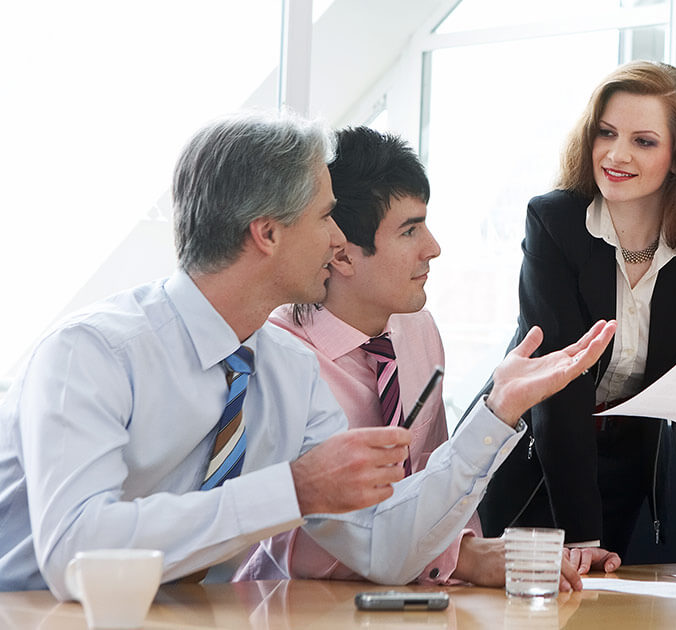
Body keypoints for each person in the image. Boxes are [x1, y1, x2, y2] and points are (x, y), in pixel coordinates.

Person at [0, 111, 615, 598]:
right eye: (325, 216)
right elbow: (76, 553)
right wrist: (293, 489)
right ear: (267, 234)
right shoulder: (91, 352)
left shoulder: (283, 372)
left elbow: (382, 546)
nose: (336, 238)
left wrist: (496, 412)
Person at [235, 126, 620, 585]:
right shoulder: (280, 358)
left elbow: (434, 473)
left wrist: (471, 549)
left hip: (416, 597)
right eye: (410, 230)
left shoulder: (416, 328)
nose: (433, 248)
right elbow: (335, 539)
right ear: (340, 254)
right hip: (298, 602)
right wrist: (465, 560)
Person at [477, 61, 676, 563]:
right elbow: (558, 383)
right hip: (536, 454)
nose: (616, 154)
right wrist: (581, 536)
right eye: (606, 133)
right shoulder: (555, 221)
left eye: (643, 141)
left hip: (628, 466)